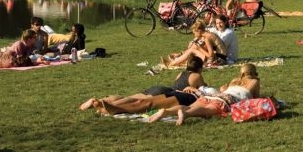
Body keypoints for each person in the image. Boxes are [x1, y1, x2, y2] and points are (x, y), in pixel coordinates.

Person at [79, 56, 207, 115]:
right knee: (140, 103)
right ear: (200, 68)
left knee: (130, 98)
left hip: (163, 90)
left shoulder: (181, 73)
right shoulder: (197, 76)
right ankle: (111, 107)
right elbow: (203, 90)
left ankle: (102, 101)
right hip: (168, 94)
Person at [148, 63, 260, 125]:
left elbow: (223, 90)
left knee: (188, 107)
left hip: (213, 97)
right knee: (206, 111)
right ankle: (186, 114)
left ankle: (166, 111)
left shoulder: (235, 81)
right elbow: (256, 98)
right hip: (225, 101)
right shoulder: (255, 81)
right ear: (253, 73)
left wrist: (223, 89)